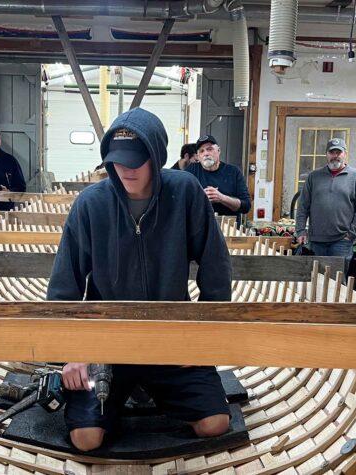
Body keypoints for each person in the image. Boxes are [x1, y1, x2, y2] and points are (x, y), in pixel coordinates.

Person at [47, 108, 233, 452]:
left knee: (215, 424)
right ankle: (125, 394)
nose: (126, 169)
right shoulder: (91, 204)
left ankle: (148, 390)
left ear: (157, 156)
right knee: (86, 440)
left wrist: (205, 340)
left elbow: (215, 268)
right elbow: (64, 284)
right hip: (105, 342)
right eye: (117, 160)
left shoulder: (186, 192)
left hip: (171, 337)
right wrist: (71, 352)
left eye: (136, 160)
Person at [294, 137, 356, 261]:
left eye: (338, 152)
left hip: (342, 241)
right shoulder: (313, 177)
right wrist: (301, 230)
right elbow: (303, 206)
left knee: (338, 279)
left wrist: (352, 234)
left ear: (345, 154)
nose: (335, 156)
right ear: (326, 154)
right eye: (332, 152)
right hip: (316, 241)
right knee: (315, 277)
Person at [185, 135, 251, 218]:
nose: (206, 153)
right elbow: (181, 200)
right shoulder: (191, 171)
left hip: (227, 226)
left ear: (218, 151)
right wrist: (201, 197)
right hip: (199, 224)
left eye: (210, 149)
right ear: (198, 157)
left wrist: (221, 198)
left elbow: (246, 206)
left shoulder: (233, 172)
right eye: (202, 151)